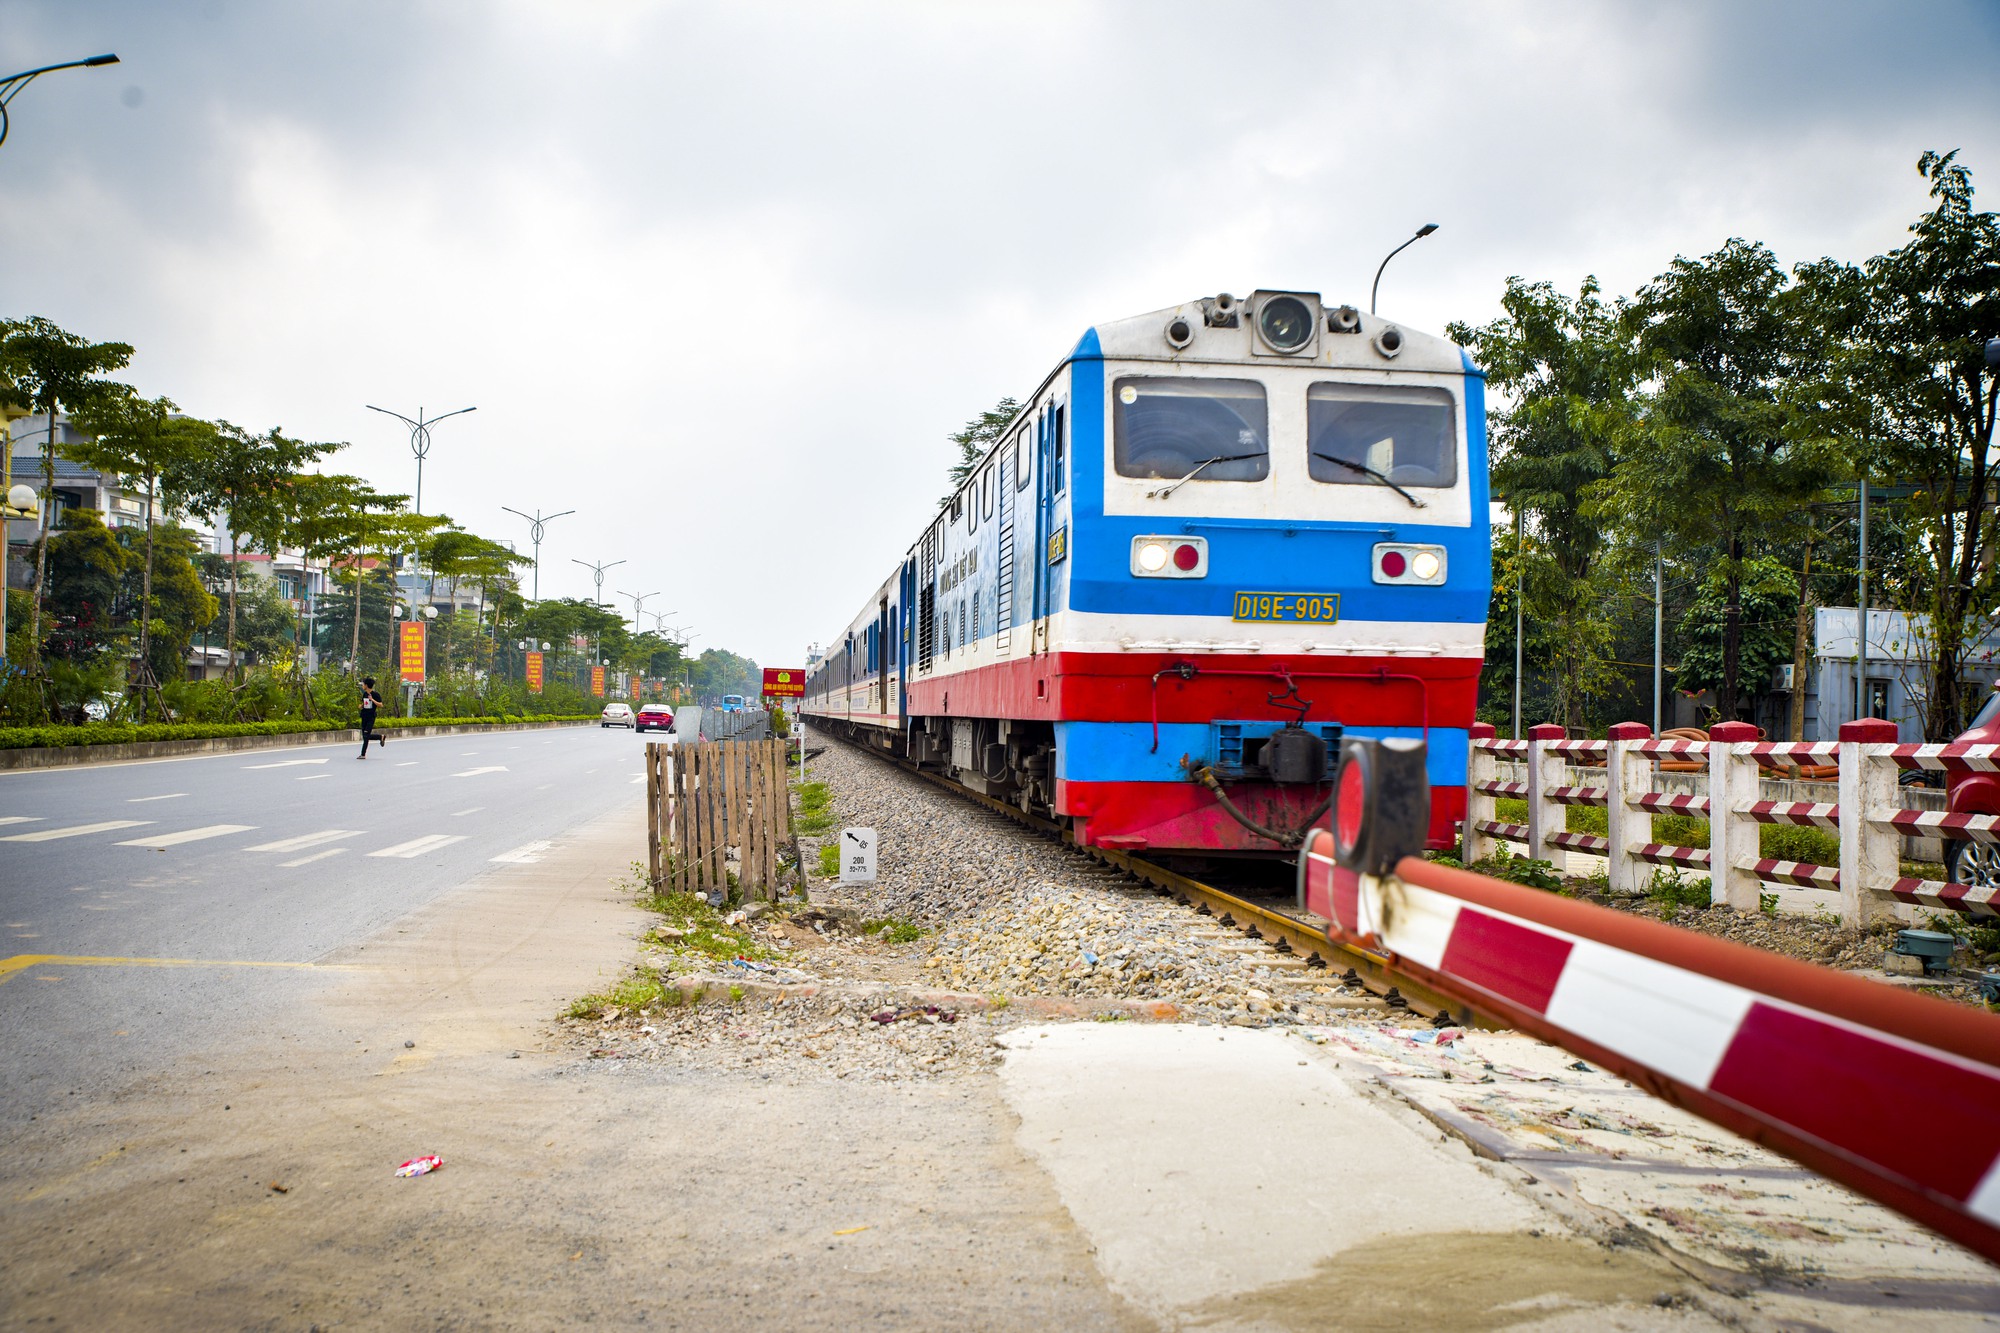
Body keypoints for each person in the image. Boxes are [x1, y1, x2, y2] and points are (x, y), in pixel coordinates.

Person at [359, 676, 386, 758]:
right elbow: (365, 704)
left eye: (363, 684)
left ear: (366, 685)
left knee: (366, 735)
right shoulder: (364, 694)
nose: (363, 686)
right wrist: (361, 706)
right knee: (365, 735)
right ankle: (380, 737)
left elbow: (381, 705)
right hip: (364, 716)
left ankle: (363, 754)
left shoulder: (375, 694)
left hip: (371, 717)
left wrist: (372, 700)